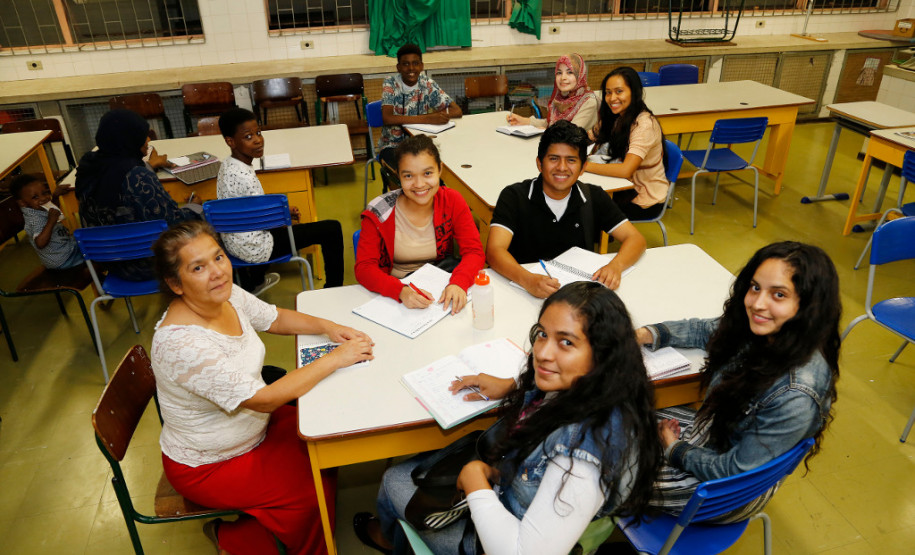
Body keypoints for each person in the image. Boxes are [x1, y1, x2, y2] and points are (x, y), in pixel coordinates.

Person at [354, 282, 663, 554]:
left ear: (603, 353)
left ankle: (389, 538)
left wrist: (476, 483)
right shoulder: (607, 388)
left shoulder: (582, 458)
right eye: (542, 334)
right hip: (511, 494)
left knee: (394, 480)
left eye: (566, 342)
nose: (543, 353)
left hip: (495, 539)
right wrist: (514, 385)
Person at [150, 220, 374, 555]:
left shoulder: (225, 296)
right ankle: (236, 539)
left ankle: (265, 527)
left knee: (327, 443)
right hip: (212, 464)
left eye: (219, 257)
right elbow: (264, 399)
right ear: (175, 283)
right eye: (198, 267)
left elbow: (274, 318)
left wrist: (330, 327)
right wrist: (336, 358)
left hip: (254, 430)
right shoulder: (182, 344)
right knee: (312, 492)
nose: (217, 272)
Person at [635, 241, 841, 519]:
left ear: (808, 305)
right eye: (755, 287)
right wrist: (646, 334)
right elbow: (706, 330)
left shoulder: (796, 393)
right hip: (711, 437)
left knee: (598, 476)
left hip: (720, 492)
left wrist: (675, 449)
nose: (757, 303)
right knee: (616, 414)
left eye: (778, 295)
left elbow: (734, 471)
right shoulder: (768, 330)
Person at [486, 120, 646, 299]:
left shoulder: (593, 197)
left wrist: (615, 266)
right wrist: (527, 279)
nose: (562, 168)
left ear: (583, 167)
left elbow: (635, 238)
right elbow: (494, 251)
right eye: (554, 159)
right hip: (523, 292)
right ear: (539, 164)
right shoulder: (514, 196)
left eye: (571, 160)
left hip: (577, 298)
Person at [216, 108, 345, 294]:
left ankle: (253, 281)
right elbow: (265, 222)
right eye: (248, 136)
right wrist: (282, 218)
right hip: (256, 248)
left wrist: (281, 212)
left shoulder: (226, 165)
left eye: (258, 133)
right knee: (331, 229)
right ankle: (334, 289)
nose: (258, 139)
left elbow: (249, 209)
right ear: (230, 141)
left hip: (233, 244)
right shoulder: (245, 176)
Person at [356, 134, 484, 314]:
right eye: (408, 176)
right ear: (398, 176)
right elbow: (364, 268)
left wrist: (459, 283)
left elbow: (474, 251)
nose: (419, 184)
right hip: (396, 295)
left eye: (427, 173)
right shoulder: (379, 211)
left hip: (442, 291)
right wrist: (400, 291)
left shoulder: (452, 201)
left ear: (440, 169)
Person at [75, 108, 200, 281]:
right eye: (143, 135)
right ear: (130, 139)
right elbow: (172, 223)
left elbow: (117, 177)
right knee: (207, 227)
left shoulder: (89, 167)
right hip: (149, 265)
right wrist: (194, 207)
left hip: (110, 262)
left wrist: (149, 165)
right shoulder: (138, 177)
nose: (148, 139)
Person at [584, 67, 668, 221]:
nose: (612, 98)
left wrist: (584, 166)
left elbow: (625, 171)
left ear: (634, 92)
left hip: (643, 198)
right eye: (608, 92)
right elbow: (588, 137)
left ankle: (598, 240)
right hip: (621, 187)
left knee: (582, 205)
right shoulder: (616, 116)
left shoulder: (644, 125)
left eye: (619, 91)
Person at [378, 43, 463, 188]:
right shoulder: (390, 84)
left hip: (421, 145)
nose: (411, 69)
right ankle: (413, 203)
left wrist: (437, 115)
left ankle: (439, 201)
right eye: (405, 64)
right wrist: (429, 118)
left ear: (422, 66)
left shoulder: (427, 84)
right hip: (392, 146)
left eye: (415, 63)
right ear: (398, 67)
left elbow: (457, 111)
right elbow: (387, 118)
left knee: (438, 170)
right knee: (414, 172)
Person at [505, 53, 598, 132]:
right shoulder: (561, 98)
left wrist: (546, 132)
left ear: (580, 75)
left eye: (570, 72)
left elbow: (571, 133)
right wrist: (524, 121)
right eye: (559, 73)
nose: (563, 78)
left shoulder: (589, 102)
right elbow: (551, 123)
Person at [10, 174, 84, 270]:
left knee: (89, 242)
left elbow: (53, 211)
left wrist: (55, 196)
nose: (43, 198)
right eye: (35, 197)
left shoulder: (37, 207)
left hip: (67, 248)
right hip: (64, 260)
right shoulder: (34, 219)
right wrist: (51, 221)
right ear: (22, 203)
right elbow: (40, 243)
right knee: (95, 253)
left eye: (45, 193)